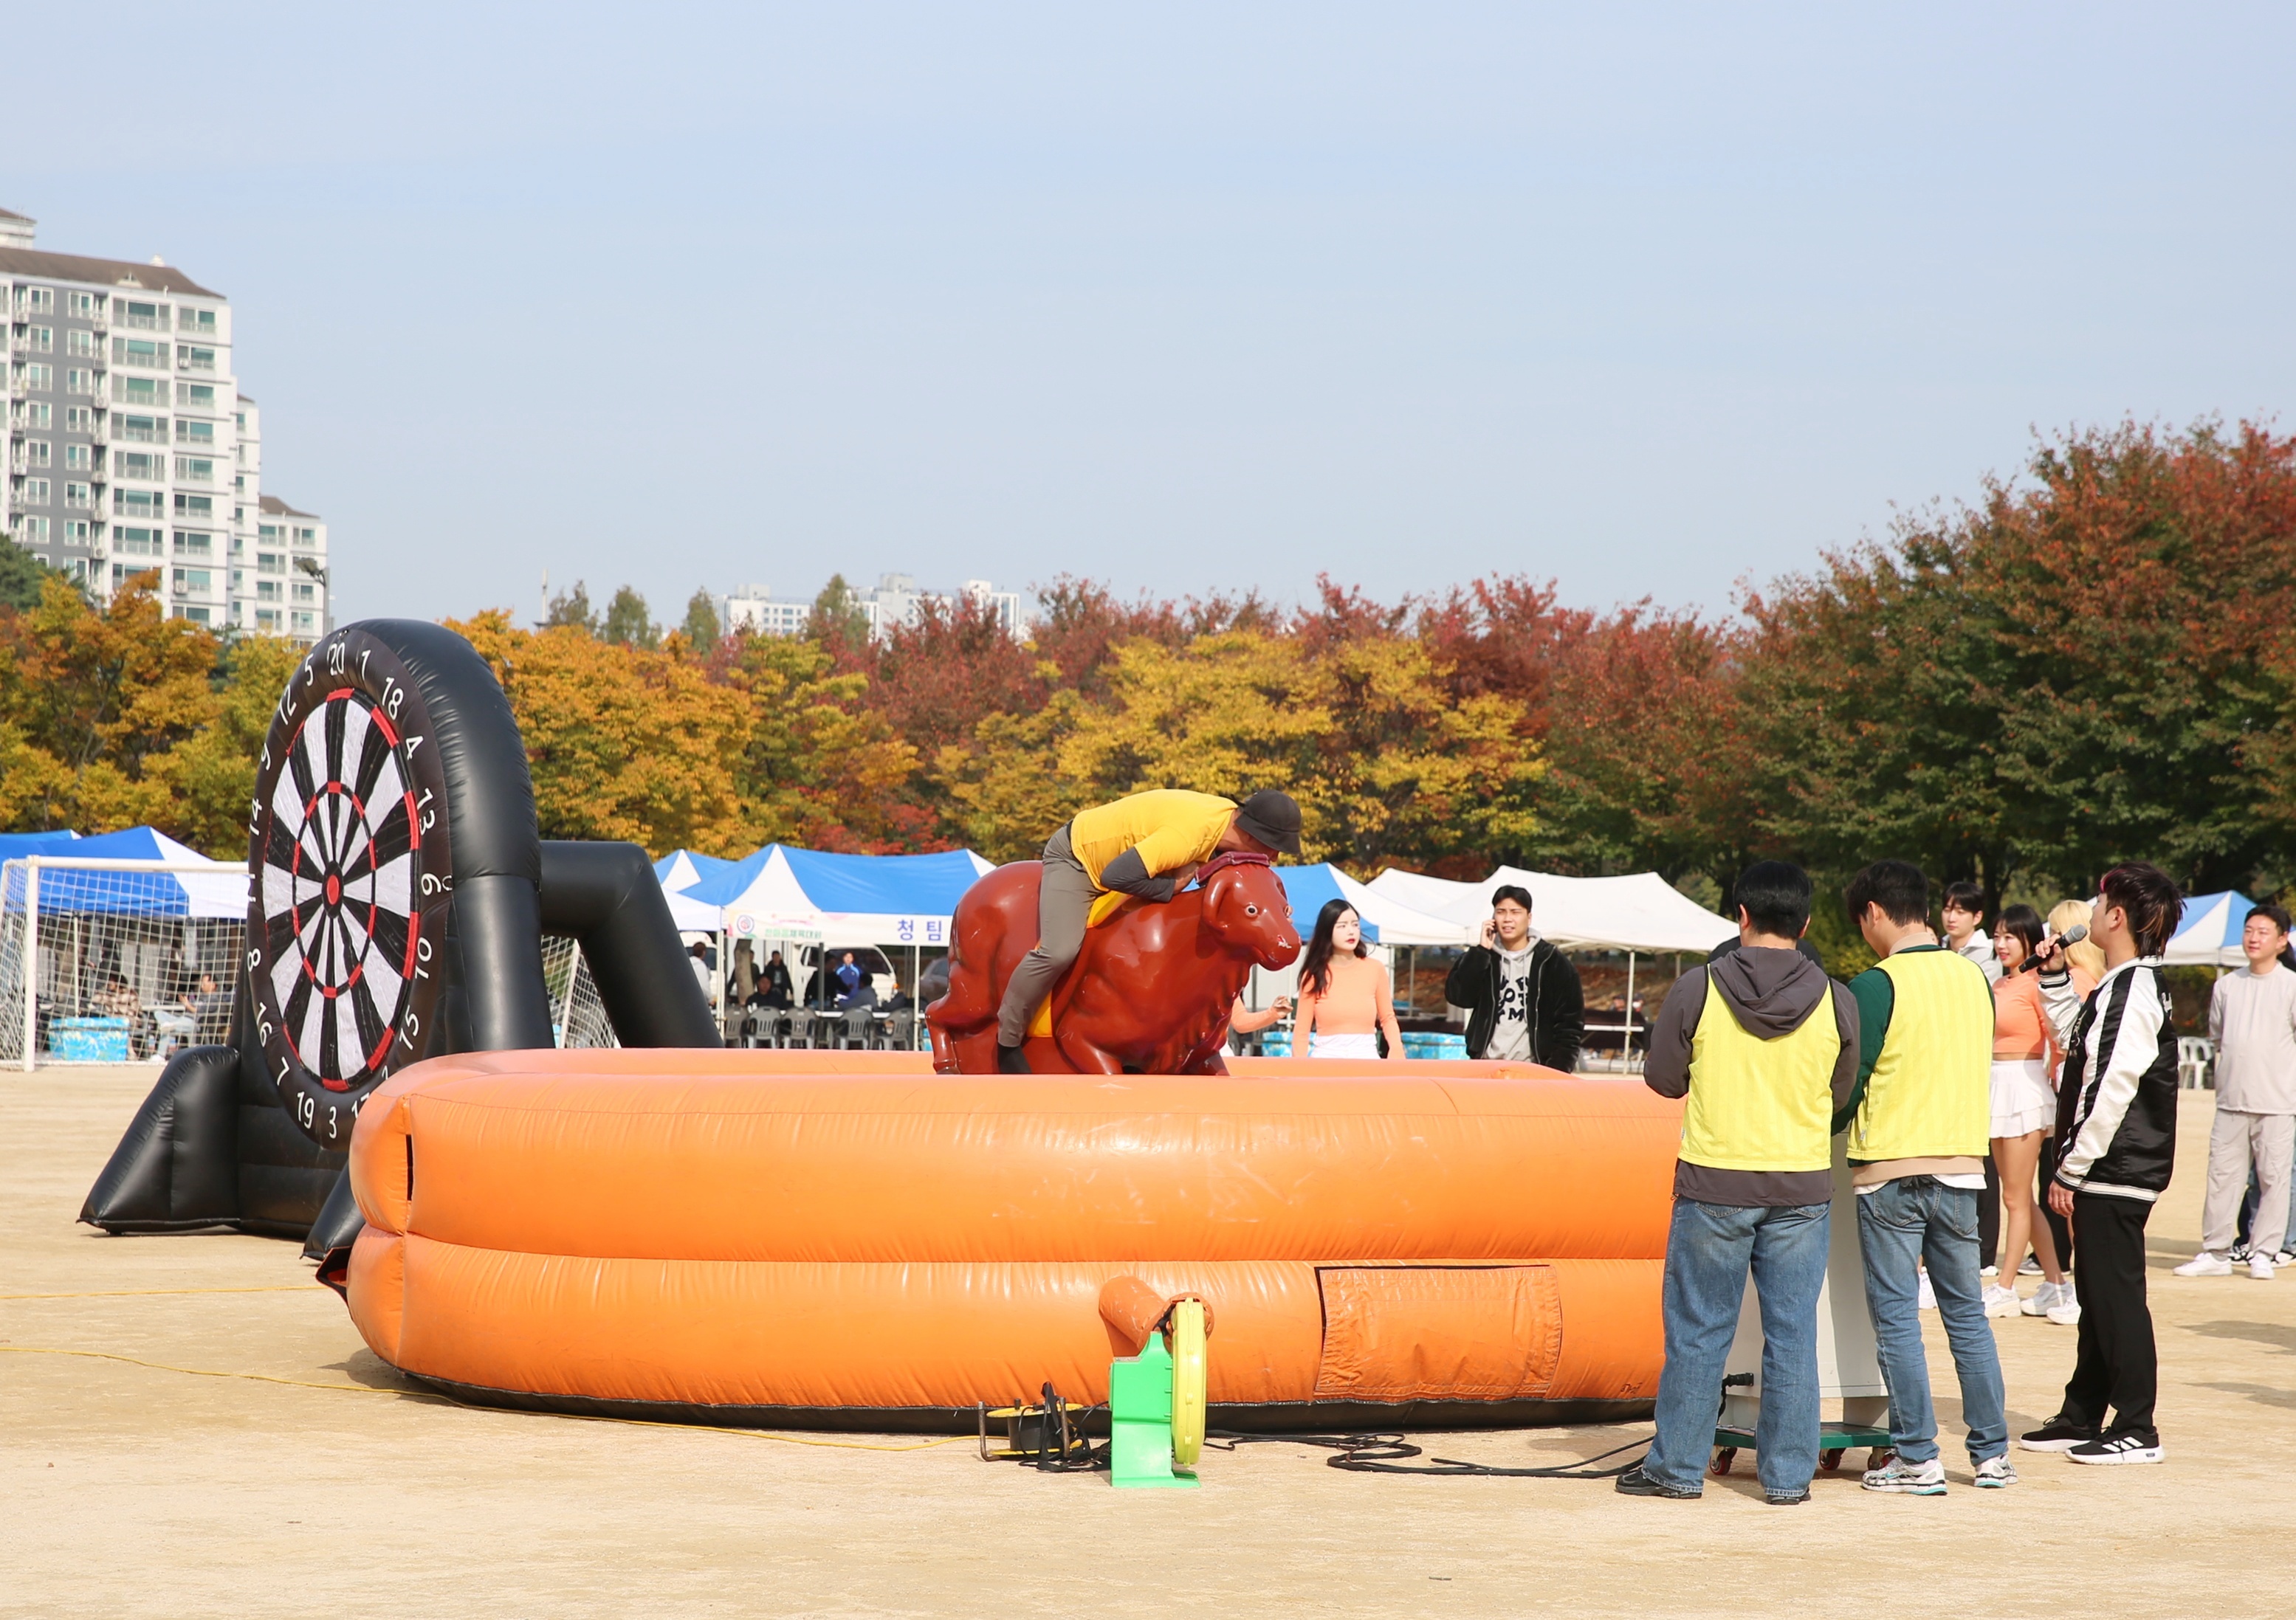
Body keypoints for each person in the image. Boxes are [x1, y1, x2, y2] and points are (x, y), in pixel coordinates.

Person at [1616, 863, 1860, 1506]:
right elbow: (1840, 1095)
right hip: (1801, 1188)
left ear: (1741, 916)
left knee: (1700, 1330)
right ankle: (1786, 1478)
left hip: (1714, 1183)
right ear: (1804, 924)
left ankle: (1676, 1468)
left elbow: (1664, 1079)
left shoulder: (1697, 988)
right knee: (1792, 1333)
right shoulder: (1840, 999)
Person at [1836, 859, 2011, 1493]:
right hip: (1963, 1167)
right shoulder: (1974, 979)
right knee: (1967, 1315)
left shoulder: (1875, 984)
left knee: (1898, 1319)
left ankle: (1917, 1455)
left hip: (1890, 1168)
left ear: (1875, 913)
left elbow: (1849, 1080)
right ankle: (1992, 1454)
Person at [2019, 864, 2183, 1466]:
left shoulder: (2134, 986)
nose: (2090, 909)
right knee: (2098, 1292)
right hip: (2110, 1166)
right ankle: (2084, 1410)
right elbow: (2080, 1042)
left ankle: (2137, 1425)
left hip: (2117, 1167)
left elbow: (2109, 1085)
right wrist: (2055, 976)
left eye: (2099, 901)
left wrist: (2070, 1167)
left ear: (2117, 916)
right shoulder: (2123, 983)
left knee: (2115, 1296)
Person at [994, 788, 1302, 1072]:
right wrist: (1172, 886)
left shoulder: (1225, 829)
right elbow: (1115, 875)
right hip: (1080, 860)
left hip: (1132, 863)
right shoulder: (1186, 837)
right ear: (1250, 835)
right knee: (1058, 950)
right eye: (1272, 847)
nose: (1273, 858)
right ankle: (1008, 1038)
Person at [2173, 903, 2296, 1281]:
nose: (2254, 937)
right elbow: (2218, 1036)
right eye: (2249, 930)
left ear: (2281, 940)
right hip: (2230, 1100)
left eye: (2263, 931)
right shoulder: (2226, 985)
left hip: (2278, 1101)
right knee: (2223, 1177)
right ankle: (2216, 1251)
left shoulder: (2291, 985)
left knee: (2274, 1179)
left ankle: (2265, 1251)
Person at [1987, 906, 2074, 1323]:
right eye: (1998, 935)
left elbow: (2060, 1037)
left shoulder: (2036, 981)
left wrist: (2058, 1084)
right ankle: (2057, 1282)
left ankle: (2004, 1287)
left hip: (2023, 1087)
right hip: (1995, 1085)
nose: (2002, 943)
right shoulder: (1999, 982)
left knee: (2014, 1197)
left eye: (2010, 936)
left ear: (2027, 939)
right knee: (2018, 1196)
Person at [1445, 885, 1584, 1072]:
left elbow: (1570, 1024)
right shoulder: (1484, 958)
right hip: (1486, 1066)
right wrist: (1480, 952)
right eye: (1501, 912)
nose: (1508, 919)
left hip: (1533, 1069)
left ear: (1529, 918)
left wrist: (1557, 1071)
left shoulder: (1552, 962)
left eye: (1515, 912)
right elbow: (1459, 997)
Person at [2037, 900, 2105, 1281]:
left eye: (2055, 930)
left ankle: (2075, 1283)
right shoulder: (2096, 976)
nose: (2049, 939)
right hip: (2070, 1082)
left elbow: (2065, 1039)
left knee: (2068, 1197)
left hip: (2070, 1085)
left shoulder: (2077, 979)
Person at [1294, 901, 1405, 1061]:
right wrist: (1298, 1067)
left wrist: (1396, 1050)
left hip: (1366, 1055)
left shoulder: (1375, 969)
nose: (1351, 931)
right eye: (1342, 926)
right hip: (1327, 1056)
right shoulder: (1314, 974)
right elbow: (1301, 1030)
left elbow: (1387, 1017)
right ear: (1327, 931)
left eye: (1355, 925)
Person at [1942, 881, 2004, 986]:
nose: (1951, 918)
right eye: (1947, 910)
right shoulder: (1937, 946)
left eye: (1960, 912)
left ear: (1977, 917)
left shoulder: (1989, 954)